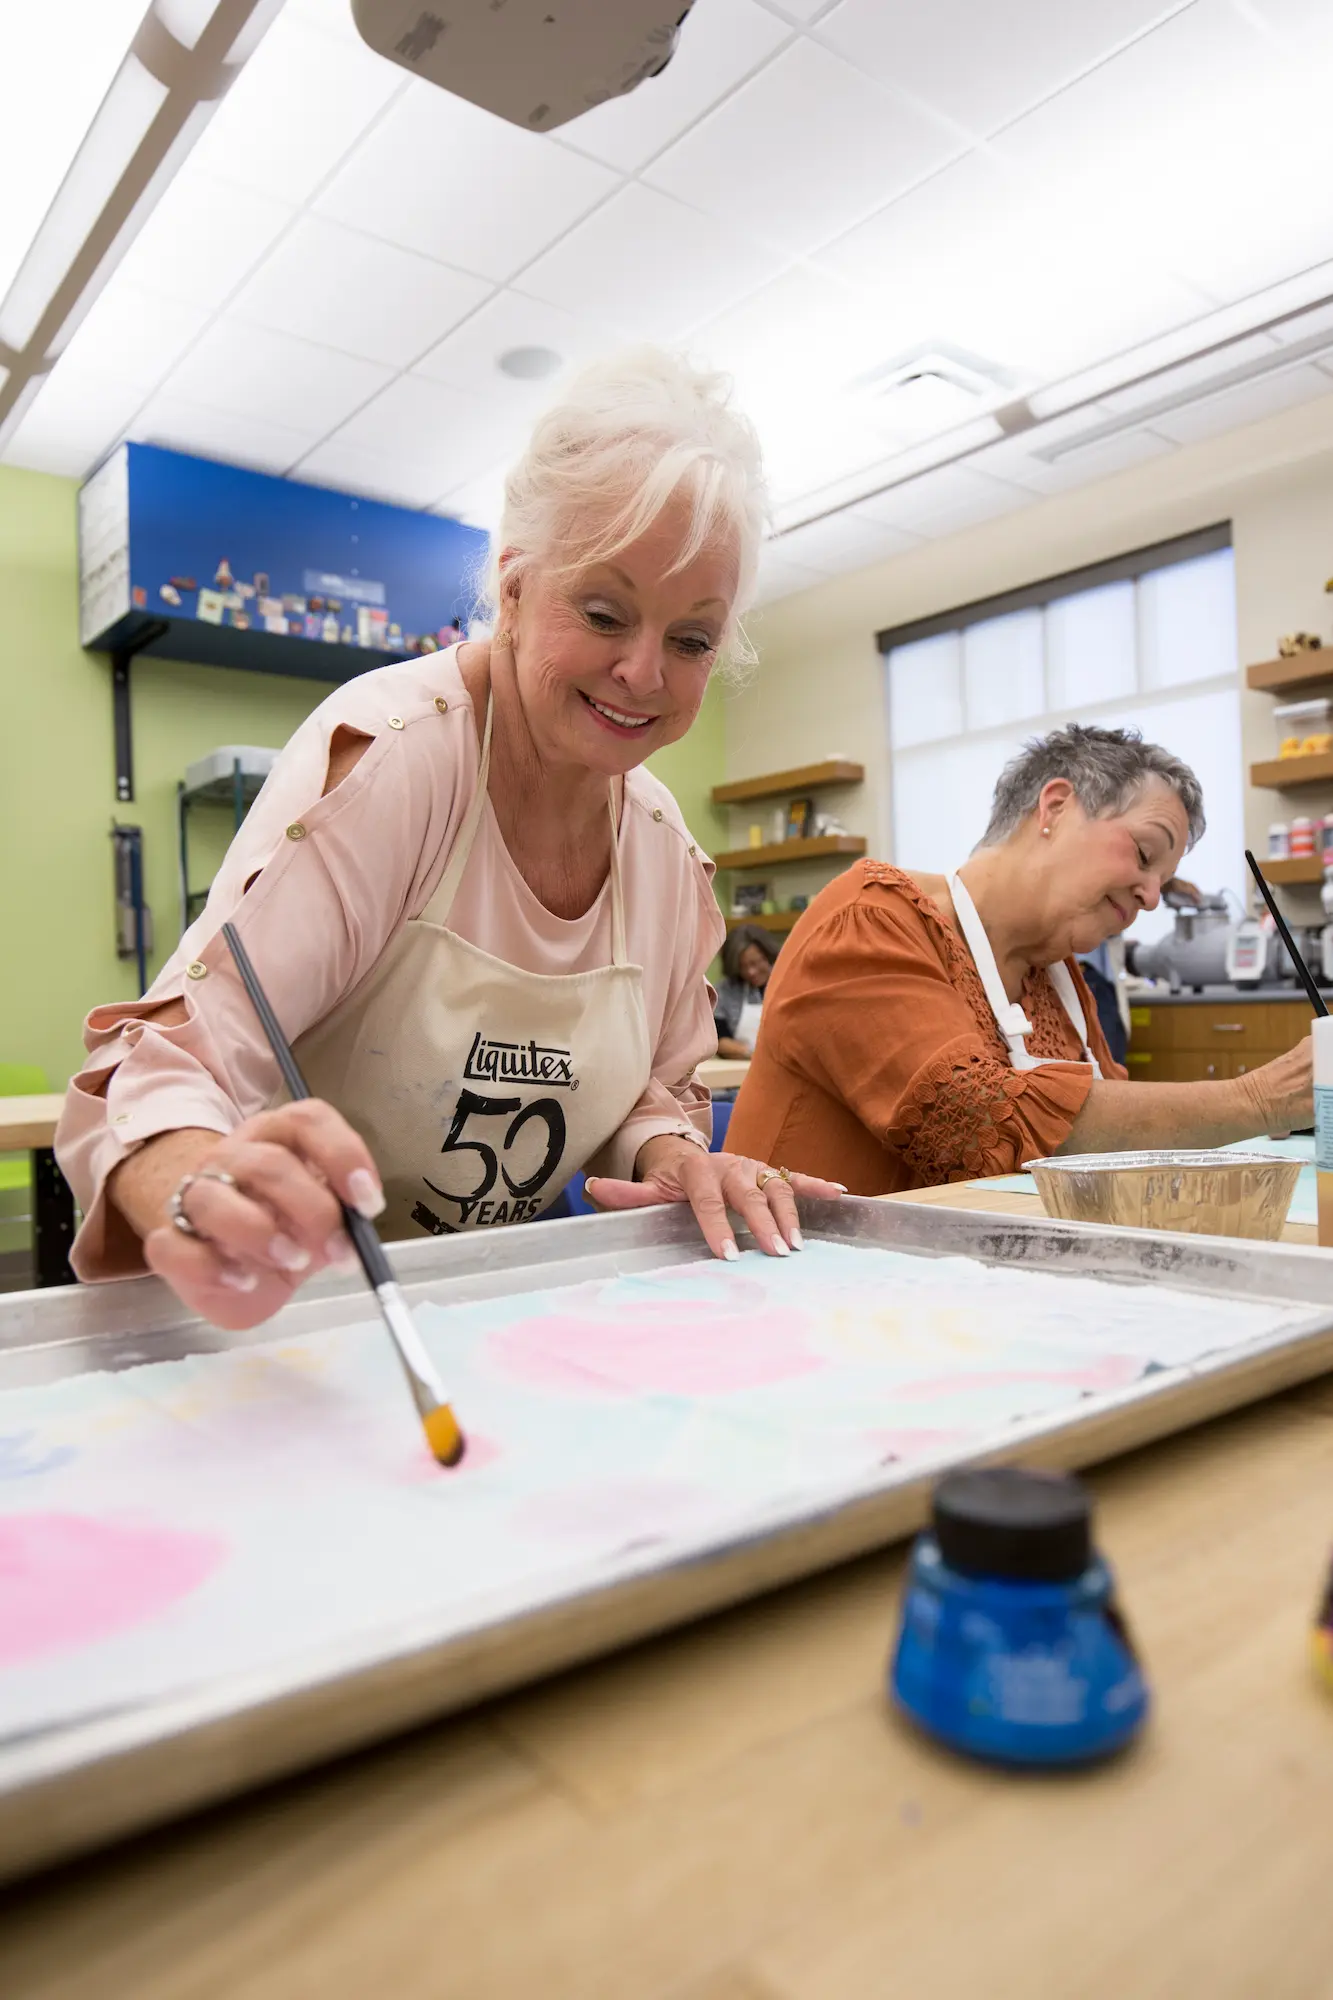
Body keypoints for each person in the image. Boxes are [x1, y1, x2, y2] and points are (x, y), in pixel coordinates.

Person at [58, 350, 842, 1329]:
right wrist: (195, 1186)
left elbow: (651, 1091)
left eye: (690, 640)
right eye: (603, 614)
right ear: (514, 591)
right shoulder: (396, 760)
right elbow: (170, 1065)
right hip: (285, 1313)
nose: (643, 672)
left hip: (482, 1316)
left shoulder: (659, 847)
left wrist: (681, 1157)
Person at [725, 725, 1312, 1193]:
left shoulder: (1056, 977)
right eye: (1143, 853)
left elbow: (1112, 1142)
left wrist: (1279, 1116)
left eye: (1164, 880)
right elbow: (980, 1124)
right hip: (816, 1292)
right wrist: (1260, 1099)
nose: (1152, 896)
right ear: (1054, 806)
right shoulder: (870, 919)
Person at [713, 924, 780, 1059]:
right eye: (743, 967)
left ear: (768, 956)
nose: (751, 972)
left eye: (755, 963)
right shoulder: (725, 990)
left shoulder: (786, 982)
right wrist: (750, 1053)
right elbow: (719, 1040)